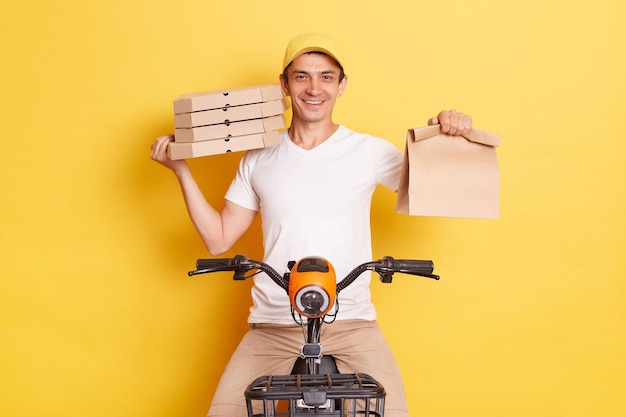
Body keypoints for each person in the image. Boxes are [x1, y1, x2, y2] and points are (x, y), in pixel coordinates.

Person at [150, 33, 472, 417]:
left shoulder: (369, 151)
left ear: (341, 85)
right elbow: (218, 239)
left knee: (391, 412)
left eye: (326, 77)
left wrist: (446, 134)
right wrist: (180, 170)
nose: (314, 88)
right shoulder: (259, 158)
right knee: (223, 413)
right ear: (284, 85)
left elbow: (437, 187)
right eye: (301, 77)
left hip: (352, 322)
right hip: (273, 325)